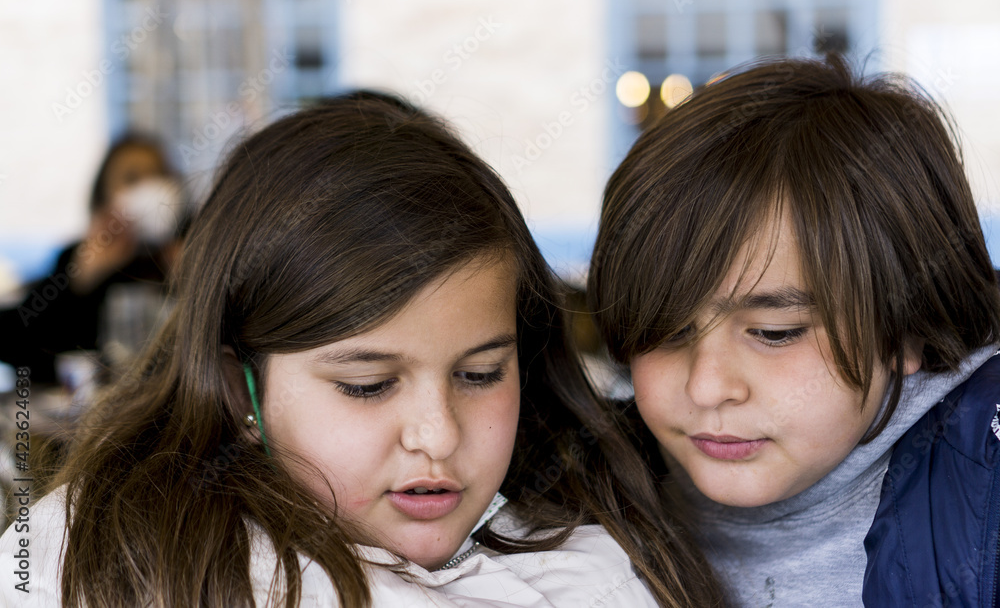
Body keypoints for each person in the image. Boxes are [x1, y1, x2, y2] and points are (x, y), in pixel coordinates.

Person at [0, 92, 725, 607]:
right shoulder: (92, 561)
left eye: (480, 373)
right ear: (237, 383)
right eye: (368, 384)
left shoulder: (588, 567)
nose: (437, 433)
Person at [588, 55, 1000, 607]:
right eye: (667, 329)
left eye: (774, 332)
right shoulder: (562, 499)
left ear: (905, 327)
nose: (707, 388)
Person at [0, 133, 185, 382]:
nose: (149, 187)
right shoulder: (78, 258)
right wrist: (81, 279)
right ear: (105, 194)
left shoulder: (192, 254)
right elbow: (15, 343)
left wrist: (195, 279)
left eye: (158, 175)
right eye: (132, 179)